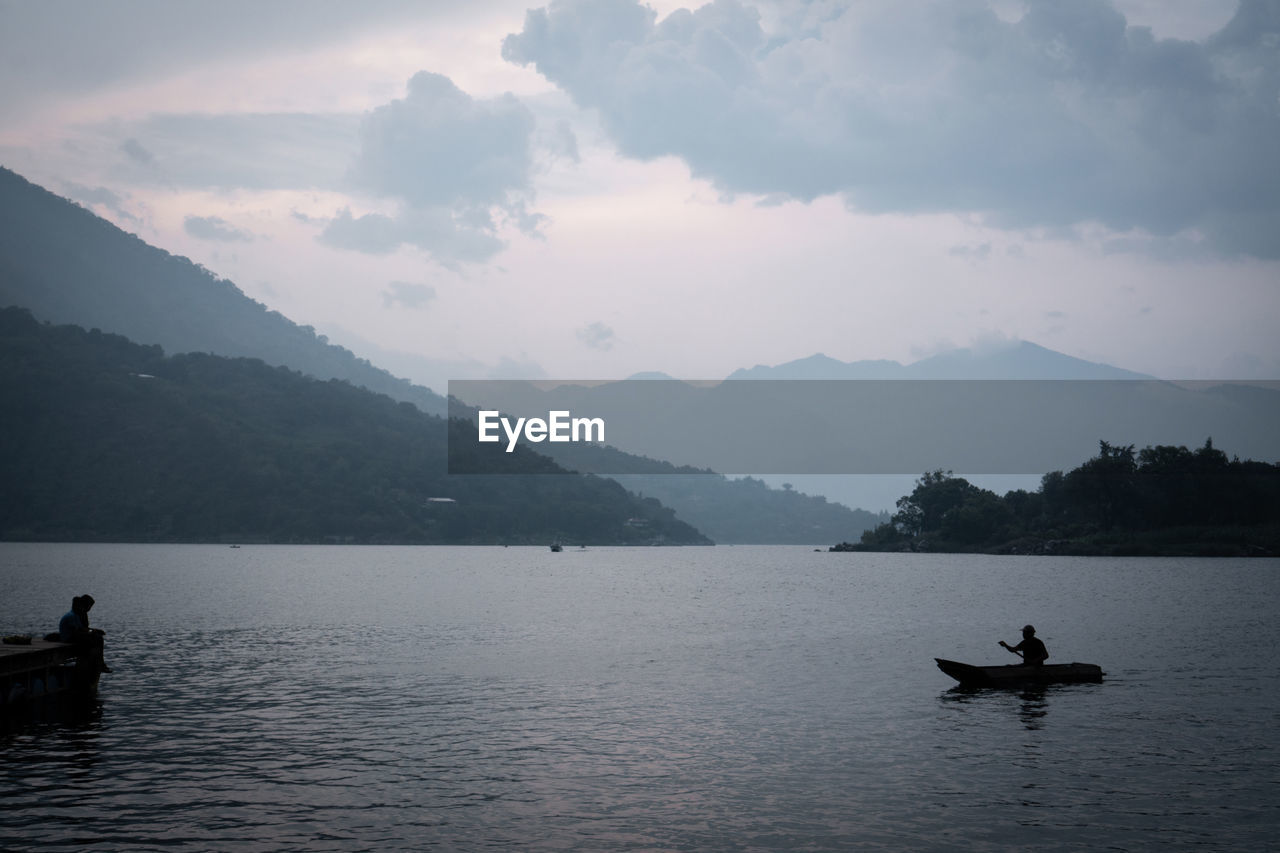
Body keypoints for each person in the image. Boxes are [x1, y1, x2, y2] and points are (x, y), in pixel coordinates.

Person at [57, 594, 111, 673]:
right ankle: (98, 664)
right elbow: (77, 632)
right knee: (96, 640)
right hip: (68, 638)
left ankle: (99, 663)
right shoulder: (72, 616)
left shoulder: (77, 615)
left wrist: (94, 631)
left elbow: (83, 629)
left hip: (73, 636)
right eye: (89, 607)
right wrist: (92, 632)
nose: (89, 609)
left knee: (97, 638)